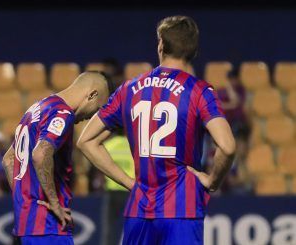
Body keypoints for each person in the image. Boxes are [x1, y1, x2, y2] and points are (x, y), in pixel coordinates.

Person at [77, 15, 236, 245]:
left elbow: (86, 141)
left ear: (161, 44)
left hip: (140, 209)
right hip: (182, 209)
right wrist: (213, 181)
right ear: (194, 51)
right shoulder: (199, 91)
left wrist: (130, 183)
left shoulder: (129, 89)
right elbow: (228, 146)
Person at [2, 71, 112, 245]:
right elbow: (40, 155)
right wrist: (54, 203)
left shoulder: (36, 109)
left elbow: (8, 159)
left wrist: (24, 200)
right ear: (92, 95)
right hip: (47, 226)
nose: (91, 117)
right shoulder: (63, 113)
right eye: (97, 109)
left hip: (24, 224)